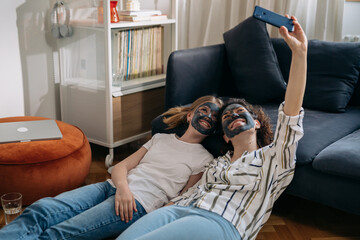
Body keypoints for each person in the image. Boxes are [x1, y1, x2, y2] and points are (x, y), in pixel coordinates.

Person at [117, 15, 307, 240]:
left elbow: (291, 113)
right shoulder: (217, 163)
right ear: (225, 136)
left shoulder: (274, 159)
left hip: (221, 221)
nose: (233, 115)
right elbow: (189, 192)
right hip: (178, 209)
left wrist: (300, 53)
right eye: (227, 116)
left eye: (239, 112)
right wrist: (164, 209)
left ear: (256, 123)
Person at [0, 95, 223, 240]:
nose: (208, 116)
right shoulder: (161, 139)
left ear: (214, 128)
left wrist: (147, 217)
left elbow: (181, 200)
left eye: (214, 116)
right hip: (111, 187)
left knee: (58, 234)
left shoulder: (204, 159)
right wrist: (123, 188)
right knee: (41, 210)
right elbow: (120, 167)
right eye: (205, 110)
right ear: (191, 114)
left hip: (138, 205)